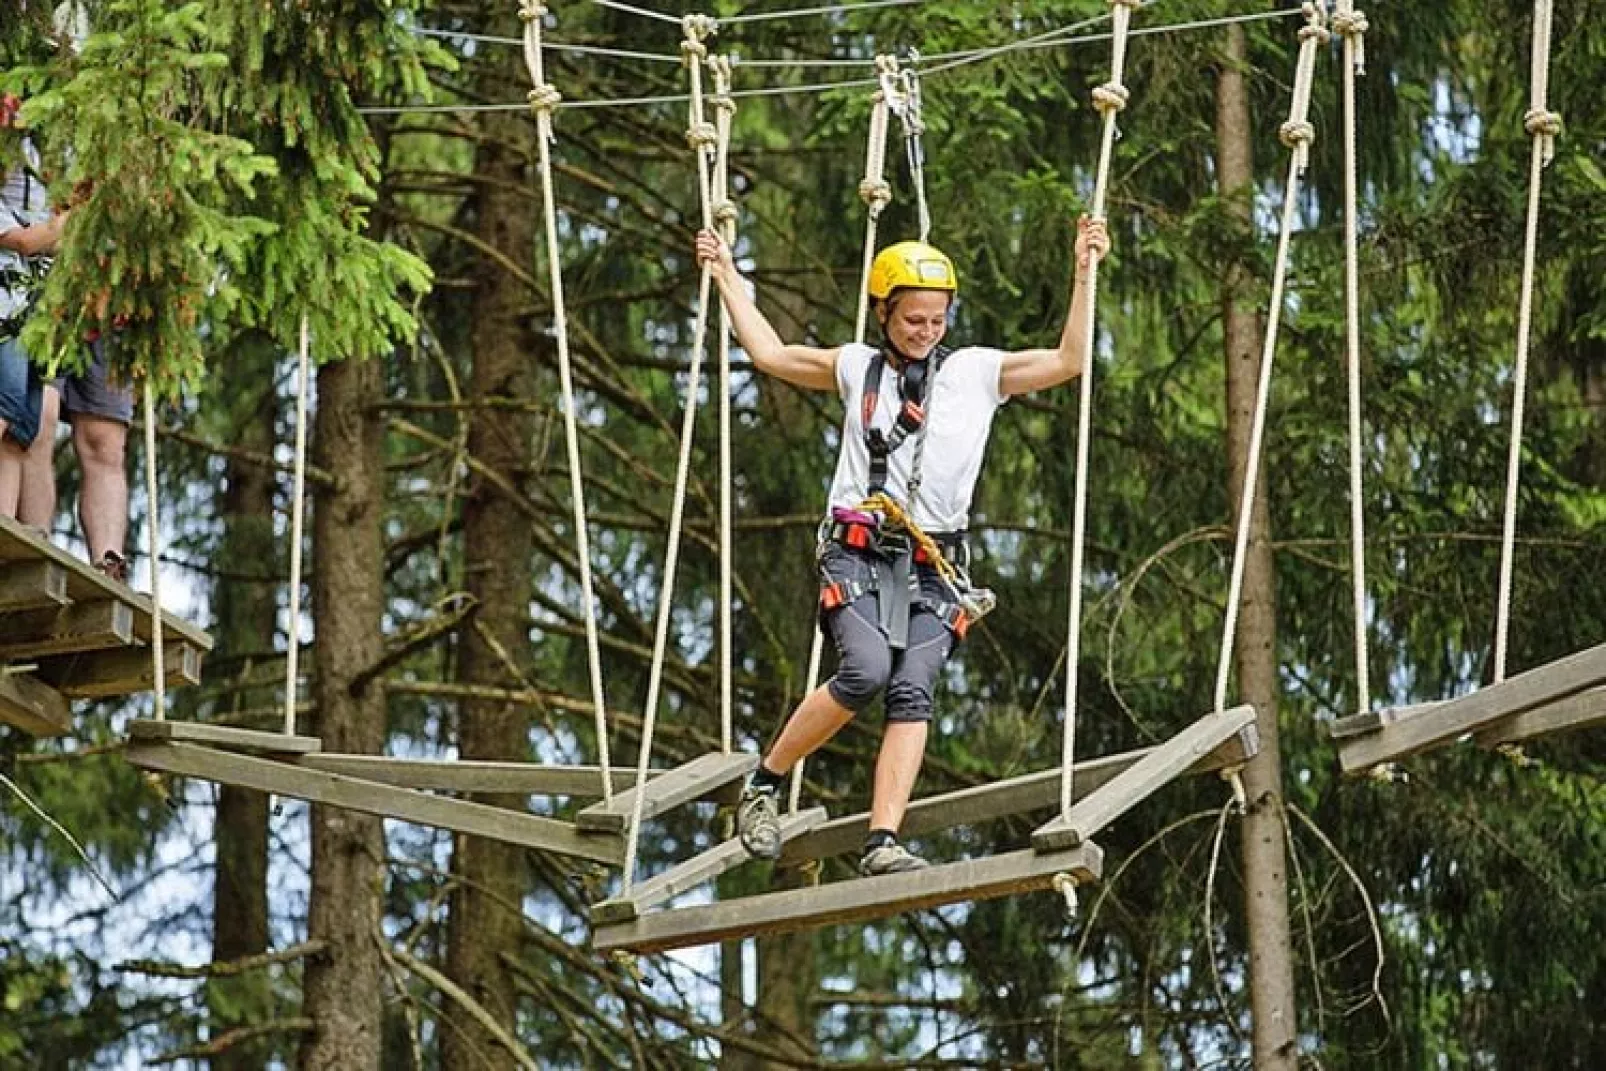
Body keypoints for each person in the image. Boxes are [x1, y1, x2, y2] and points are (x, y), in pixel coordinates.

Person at [696, 214, 1111, 876]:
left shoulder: (975, 372)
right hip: (857, 547)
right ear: (884, 312)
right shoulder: (856, 366)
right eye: (913, 319)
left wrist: (1083, 270)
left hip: (935, 563)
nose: (925, 331)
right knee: (865, 670)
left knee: (912, 686)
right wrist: (727, 278)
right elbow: (773, 355)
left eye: (936, 319)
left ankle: (881, 840)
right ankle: (765, 783)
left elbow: (1068, 360)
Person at [0, 92, 132, 580]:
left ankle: (108, 559)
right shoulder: (12, 115)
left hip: (103, 288)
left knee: (104, 438)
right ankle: (34, 540)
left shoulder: (111, 124)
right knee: (40, 410)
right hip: (31, 289)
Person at [0, 92, 55, 520]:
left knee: (22, 425)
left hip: (35, 310)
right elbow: (26, 241)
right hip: (6, 312)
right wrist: (80, 218)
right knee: (6, 402)